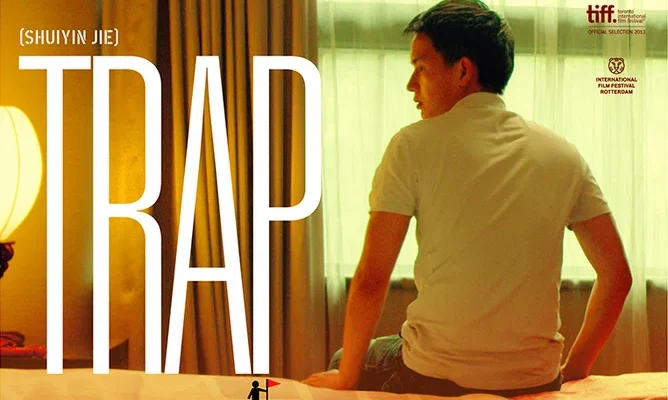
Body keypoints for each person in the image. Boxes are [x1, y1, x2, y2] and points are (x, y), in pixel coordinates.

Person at [303, 0, 633, 397]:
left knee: (346, 360)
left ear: (462, 71)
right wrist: (574, 368)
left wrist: (346, 378)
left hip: (434, 377)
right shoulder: (563, 153)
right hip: (536, 378)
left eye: (420, 68)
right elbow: (617, 275)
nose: (411, 86)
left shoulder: (412, 144)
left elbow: (372, 279)